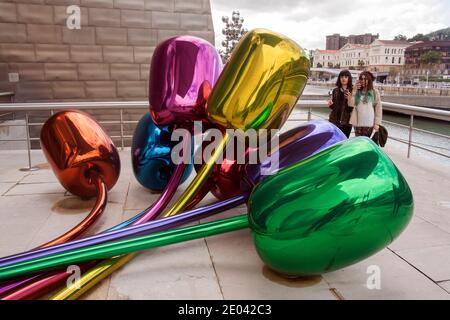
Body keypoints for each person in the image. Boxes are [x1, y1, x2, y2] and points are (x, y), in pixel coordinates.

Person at [348, 71, 382, 137]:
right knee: (358, 142)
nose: (363, 81)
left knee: (366, 142)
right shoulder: (356, 91)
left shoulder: (375, 92)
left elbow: (378, 109)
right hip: (358, 122)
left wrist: (377, 123)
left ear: (370, 80)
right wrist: (354, 90)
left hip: (369, 122)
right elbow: (351, 104)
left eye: (365, 79)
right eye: (361, 79)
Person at [327, 70, 353, 138]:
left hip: (346, 123)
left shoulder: (353, 90)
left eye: (346, 77)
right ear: (339, 78)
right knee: (333, 141)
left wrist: (349, 99)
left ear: (349, 78)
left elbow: (353, 108)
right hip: (334, 121)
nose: (343, 79)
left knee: (343, 143)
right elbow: (335, 107)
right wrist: (331, 105)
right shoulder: (335, 90)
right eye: (341, 77)